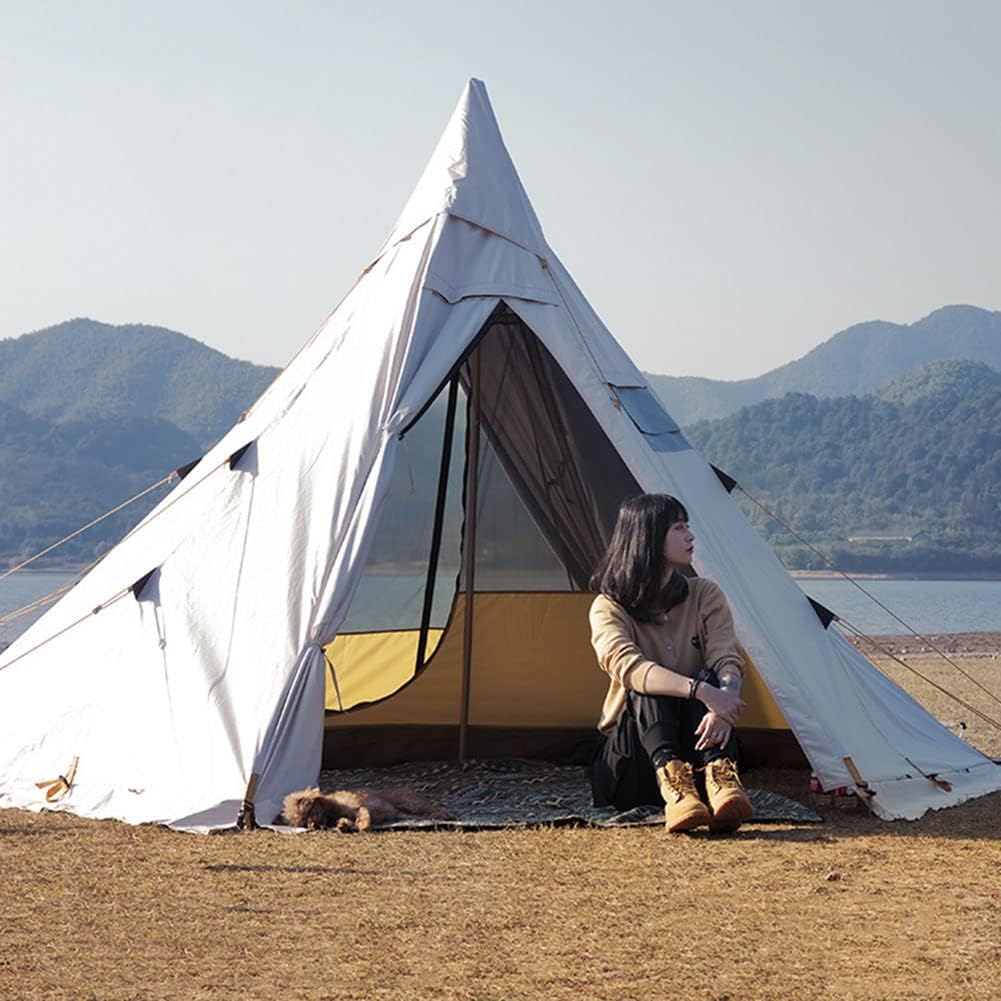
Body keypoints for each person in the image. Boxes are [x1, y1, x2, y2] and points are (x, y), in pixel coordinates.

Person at [589, 493, 754, 832]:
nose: (690, 536)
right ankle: (674, 785)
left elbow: (726, 657)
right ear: (648, 537)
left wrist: (723, 703)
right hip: (635, 764)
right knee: (649, 684)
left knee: (710, 677)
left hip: (699, 748)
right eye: (679, 528)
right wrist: (702, 692)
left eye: (687, 527)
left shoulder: (705, 594)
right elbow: (627, 666)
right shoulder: (608, 606)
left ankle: (720, 781)